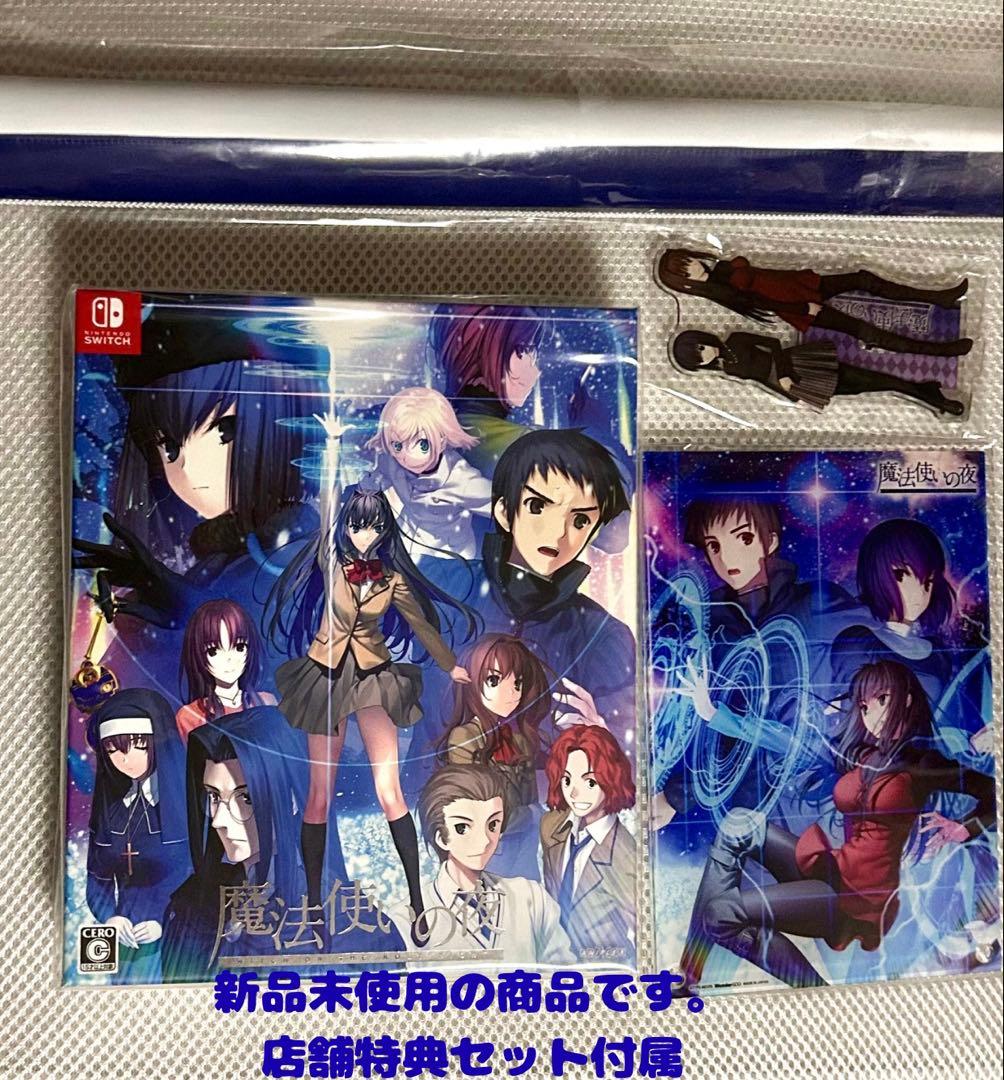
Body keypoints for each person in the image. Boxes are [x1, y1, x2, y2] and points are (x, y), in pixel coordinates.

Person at [265, 414, 480, 942]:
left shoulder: (390, 577)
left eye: (374, 527)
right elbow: (327, 506)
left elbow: (421, 625)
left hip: (373, 678)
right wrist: (334, 446)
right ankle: (314, 909)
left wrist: (449, 663)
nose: (365, 535)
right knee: (319, 795)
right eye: (358, 526)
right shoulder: (331, 561)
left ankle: (417, 902)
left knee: (390, 792)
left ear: (385, 531)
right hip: (324, 678)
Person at [676, 659, 995, 989]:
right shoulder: (859, 754)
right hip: (832, 869)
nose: (873, 714)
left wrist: (961, 829)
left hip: (857, 899)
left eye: (883, 699)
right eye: (865, 706)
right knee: (738, 824)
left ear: (907, 698)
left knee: (721, 915)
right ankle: (689, 974)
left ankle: (818, 996)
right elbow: (791, 741)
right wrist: (715, 715)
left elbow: (992, 793)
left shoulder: (923, 763)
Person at [70, 296, 321, 694]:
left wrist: (178, 607)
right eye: (169, 448)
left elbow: (265, 657)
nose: (187, 470)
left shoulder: (289, 557)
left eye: (225, 431)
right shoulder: (228, 553)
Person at [480, 429, 635, 744]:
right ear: (504, 512)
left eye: (580, 521)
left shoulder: (603, 637)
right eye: (538, 506)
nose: (557, 533)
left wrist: (603, 738)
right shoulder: (442, 587)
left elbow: (627, 747)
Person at [391, 764, 574, 963]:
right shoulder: (403, 919)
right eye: (463, 827)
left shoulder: (531, 897)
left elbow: (565, 971)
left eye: (492, 825)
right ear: (441, 837)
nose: (484, 840)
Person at [656, 249, 972, 357]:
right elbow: (763, 302)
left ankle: (938, 297)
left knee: (863, 280)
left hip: (801, 284)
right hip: (798, 303)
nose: (693, 266)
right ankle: (942, 350)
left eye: (688, 261)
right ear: (686, 282)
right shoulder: (725, 288)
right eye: (686, 271)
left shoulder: (721, 271)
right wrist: (802, 309)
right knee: (866, 332)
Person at [85, 688, 189, 983]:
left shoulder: (187, 803)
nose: (124, 759)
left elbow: (206, 876)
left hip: (182, 937)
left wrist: (166, 922)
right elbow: (97, 877)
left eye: (137, 745)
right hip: (127, 939)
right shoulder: (112, 808)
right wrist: (110, 918)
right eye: (112, 750)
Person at [442, 633, 554, 879]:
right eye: (494, 680)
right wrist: (532, 815)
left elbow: (531, 797)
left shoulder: (520, 739)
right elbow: (474, 809)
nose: (511, 693)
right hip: (488, 852)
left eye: (517, 683)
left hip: (525, 850)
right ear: (472, 682)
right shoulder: (465, 737)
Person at [671, 330, 964, 416]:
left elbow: (773, 344)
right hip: (796, 385)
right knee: (867, 388)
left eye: (700, 347)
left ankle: (935, 400)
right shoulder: (729, 369)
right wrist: (791, 397)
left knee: (873, 379)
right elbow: (761, 382)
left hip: (799, 366)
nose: (705, 353)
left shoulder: (735, 340)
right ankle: (924, 391)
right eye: (699, 358)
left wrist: (784, 375)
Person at [540, 725, 636, 961]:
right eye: (567, 780)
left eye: (590, 782)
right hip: (554, 961)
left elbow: (641, 925)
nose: (574, 793)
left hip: (604, 965)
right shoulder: (551, 826)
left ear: (611, 779)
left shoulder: (625, 853)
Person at [429, 304, 549, 473]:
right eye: (522, 351)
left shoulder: (426, 437)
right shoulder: (531, 447)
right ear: (484, 352)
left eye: (533, 354)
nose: (535, 371)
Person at [175, 598, 276, 744]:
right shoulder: (190, 716)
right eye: (213, 651)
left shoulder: (266, 701)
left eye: (239, 647)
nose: (229, 659)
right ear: (198, 654)